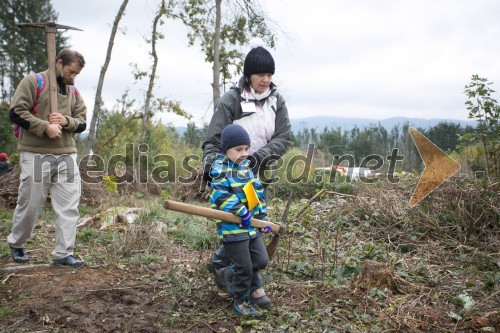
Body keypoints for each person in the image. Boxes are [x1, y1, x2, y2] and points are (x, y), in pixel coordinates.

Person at [202, 38, 291, 308]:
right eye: (260, 75)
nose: (265, 80)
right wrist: (212, 169)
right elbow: (214, 139)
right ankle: (253, 286)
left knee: (252, 226)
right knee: (238, 223)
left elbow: (284, 135)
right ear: (248, 75)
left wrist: (258, 158)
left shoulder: (276, 99)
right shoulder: (232, 99)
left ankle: (224, 266)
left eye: (269, 75)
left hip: (259, 172)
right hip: (232, 174)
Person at [7, 49, 87, 267]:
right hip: (36, 152)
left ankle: (63, 253)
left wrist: (66, 121)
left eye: (76, 74)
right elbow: (15, 112)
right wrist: (45, 127)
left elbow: (82, 122)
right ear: (59, 63)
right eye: (71, 72)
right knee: (31, 203)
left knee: (69, 205)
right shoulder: (33, 82)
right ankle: (17, 242)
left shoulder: (74, 92)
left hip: (67, 155)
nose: (73, 77)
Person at [209, 123, 271, 316]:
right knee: (244, 267)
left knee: (261, 260)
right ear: (226, 149)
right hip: (233, 230)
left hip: (252, 227)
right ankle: (241, 300)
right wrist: (241, 211)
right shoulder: (219, 170)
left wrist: (262, 219)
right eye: (238, 149)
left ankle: (228, 273)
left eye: (246, 148)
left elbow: (255, 193)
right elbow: (219, 196)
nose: (244, 153)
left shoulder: (245, 167)